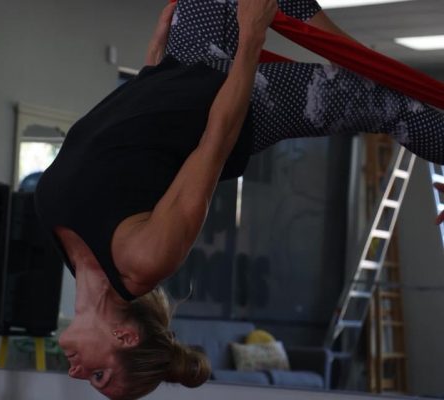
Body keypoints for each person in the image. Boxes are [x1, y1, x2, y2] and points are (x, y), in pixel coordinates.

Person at [34, 0, 444, 398]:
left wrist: (151, 68)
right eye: (99, 375)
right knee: (392, 106)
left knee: (369, 82)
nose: (75, 372)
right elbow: (215, 143)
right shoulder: (145, 260)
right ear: (124, 337)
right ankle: (351, 56)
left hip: (179, 66)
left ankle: (349, 53)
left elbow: (127, 147)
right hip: (241, 104)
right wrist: (251, 37)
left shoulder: (72, 253)